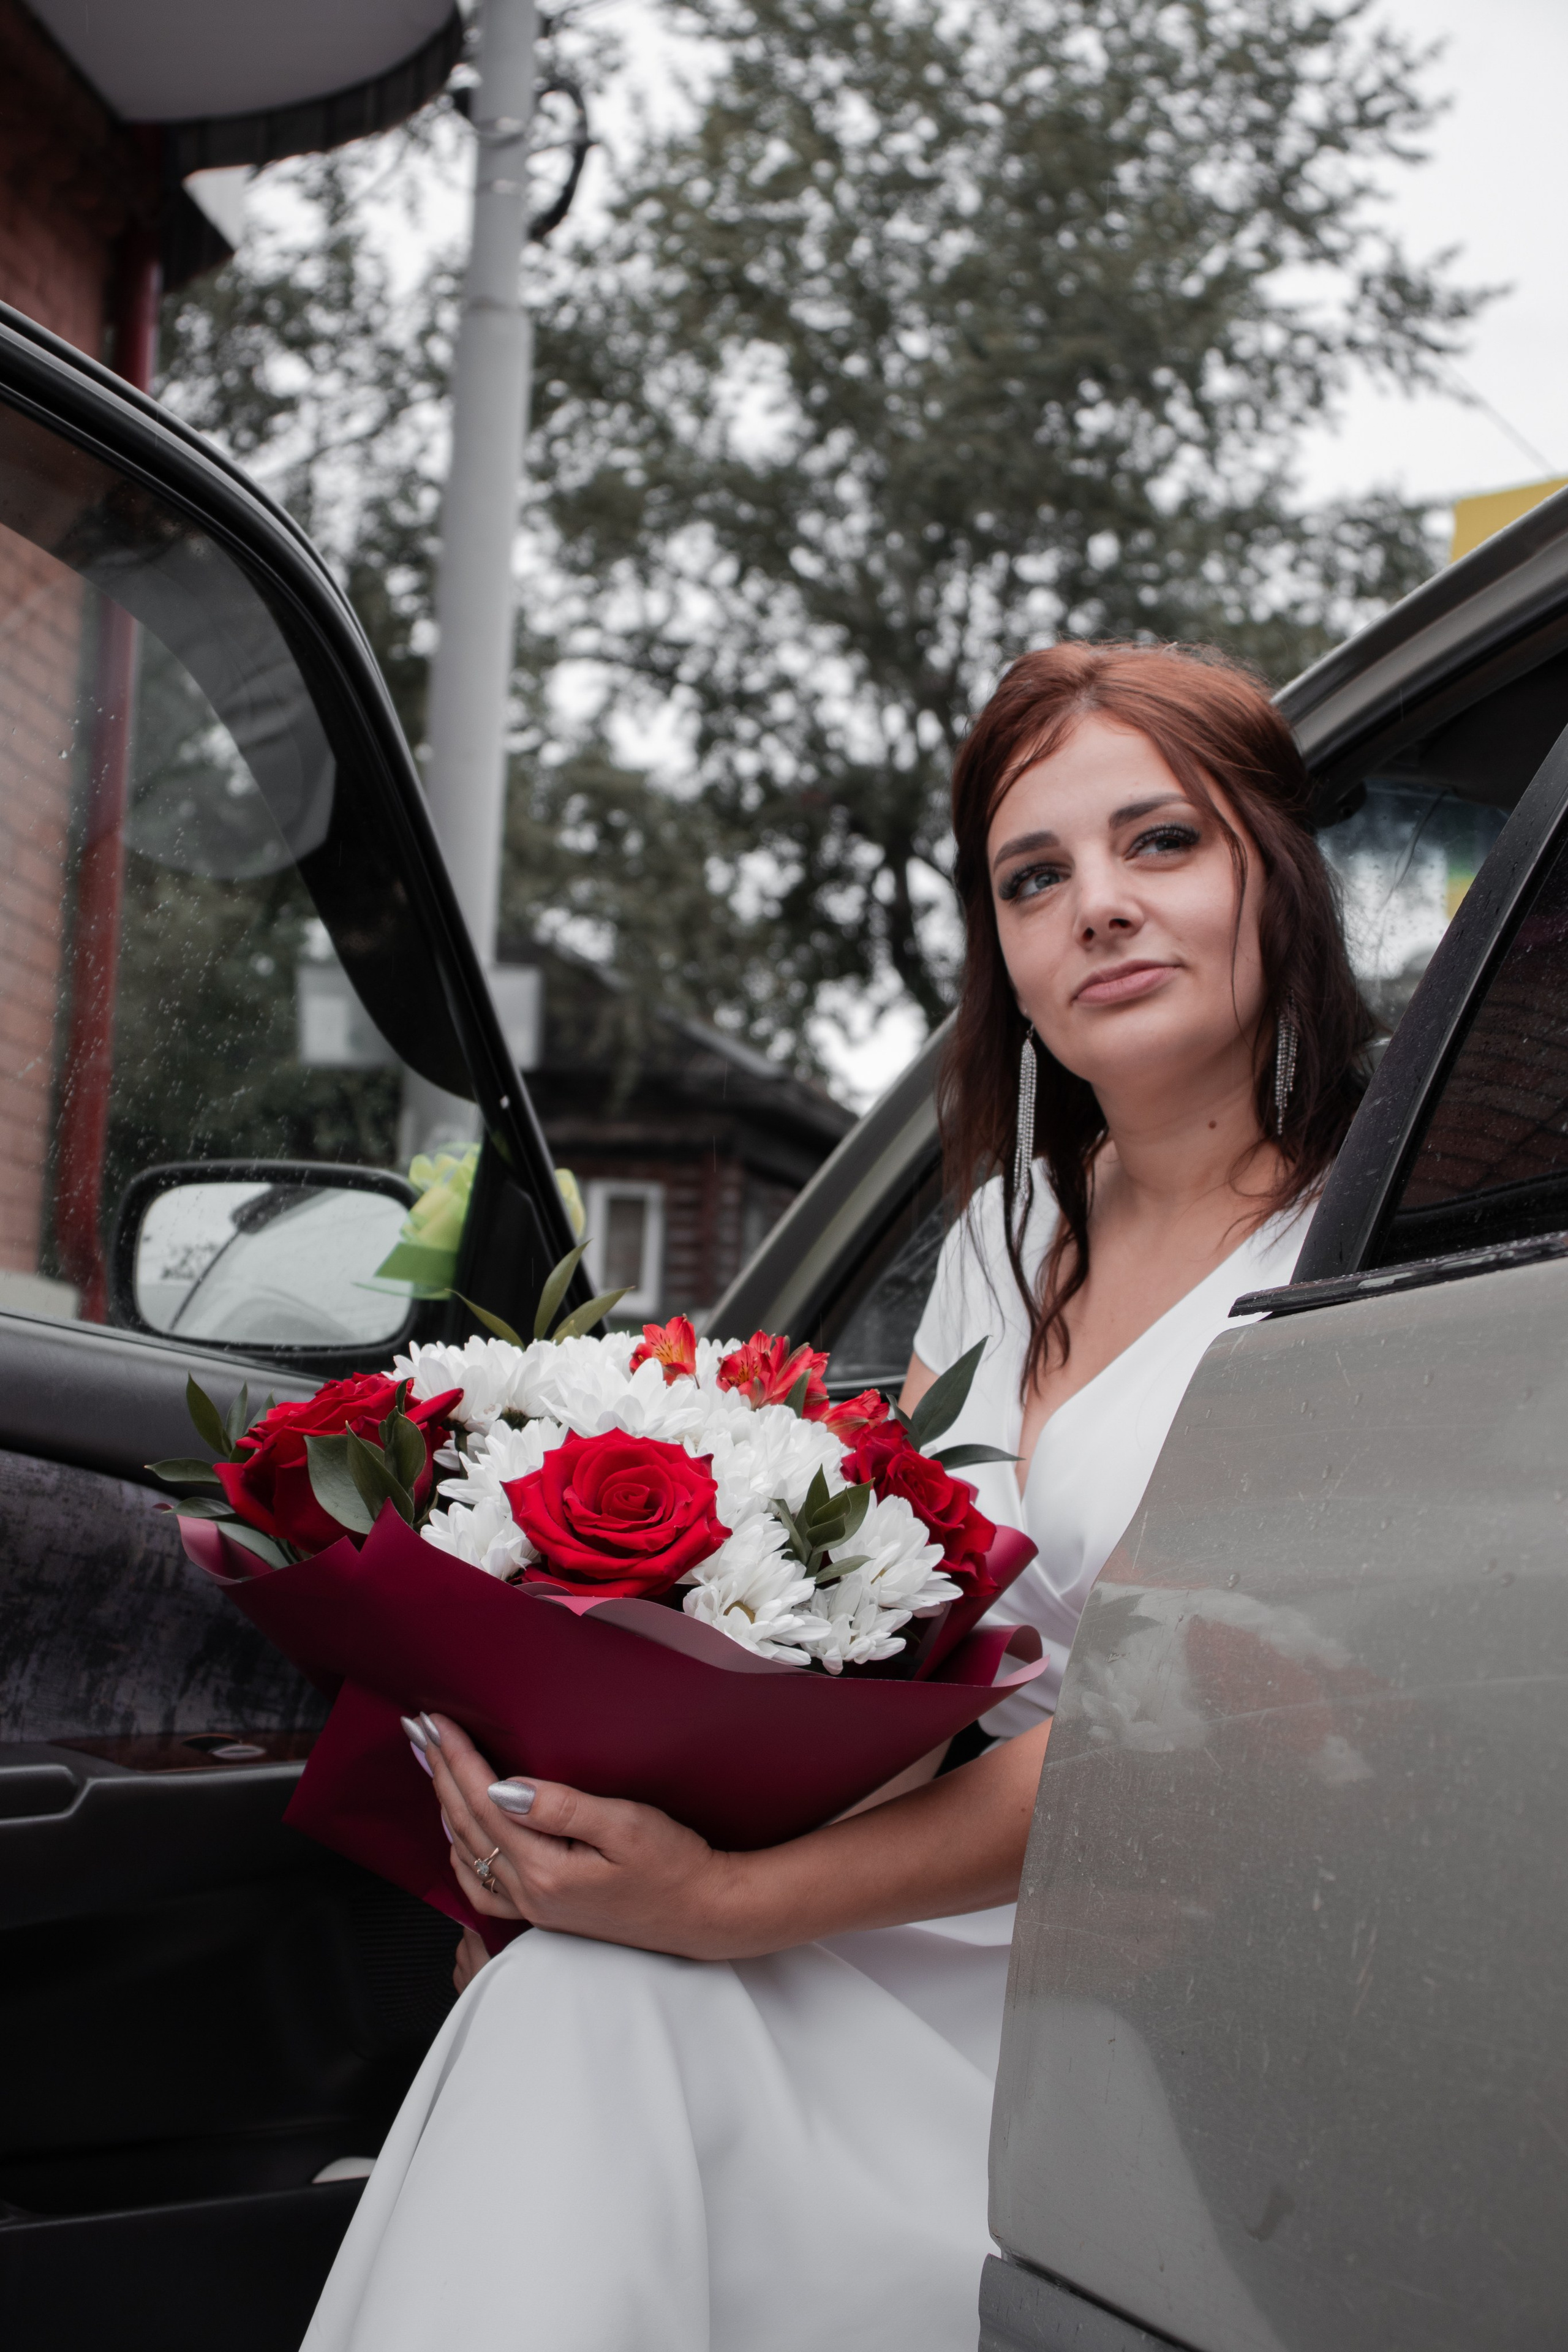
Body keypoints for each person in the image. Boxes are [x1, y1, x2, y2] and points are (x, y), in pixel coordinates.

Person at [303, 641, 1373, 2352]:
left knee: (600, 2004)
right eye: (1037, 876)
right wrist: (615, 1852)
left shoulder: (1366, 1254)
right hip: (923, 1890)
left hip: (1151, 1954)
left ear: (1278, 872)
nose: (1098, 905)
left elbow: (1156, 1729)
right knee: (572, 1984)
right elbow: (919, 1652)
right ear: (1004, 956)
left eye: (1161, 842)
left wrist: (715, 1905)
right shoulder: (1004, 1242)